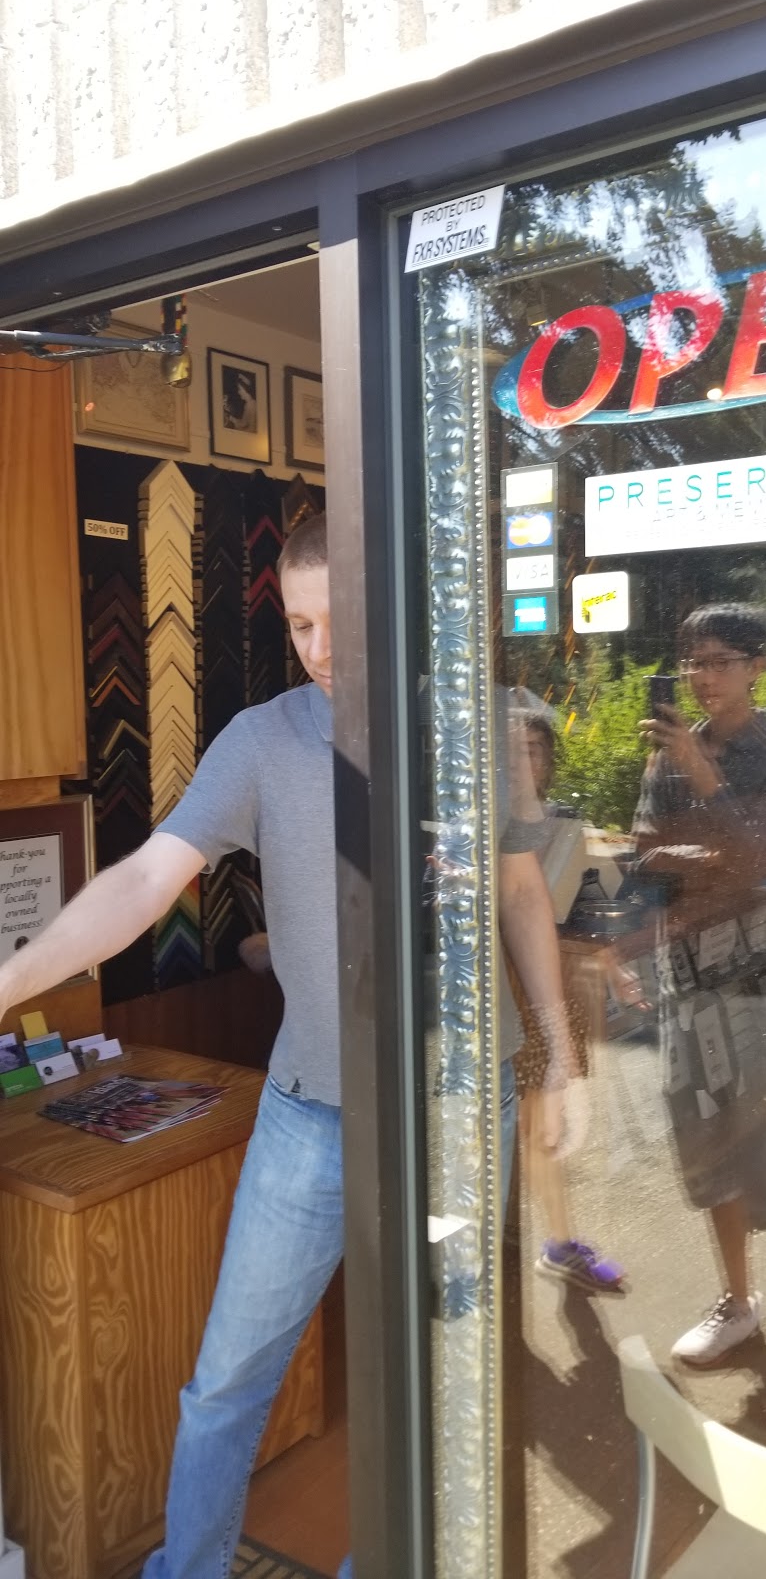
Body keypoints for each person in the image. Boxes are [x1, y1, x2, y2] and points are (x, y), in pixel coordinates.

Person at [0, 514, 581, 1579]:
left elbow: (521, 893)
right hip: (309, 1113)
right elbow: (145, 879)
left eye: (339, 619)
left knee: (436, 1374)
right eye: (301, 625)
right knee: (226, 1379)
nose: (320, 648)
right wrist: (7, 984)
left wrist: (562, 1055)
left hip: (456, 1112)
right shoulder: (262, 740)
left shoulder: (474, 727)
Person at [633, 602, 766, 1367]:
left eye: (720, 661)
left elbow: (758, 861)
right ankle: (737, 1300)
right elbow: (643, 853)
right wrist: (713, 857)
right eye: (694, 662)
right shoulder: (668, 754)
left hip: (765, 986)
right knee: (710, 1141)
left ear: (759, 666)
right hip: (690, 980)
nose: (702, 676)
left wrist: (701, 777)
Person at [508, 708, 624, 1293]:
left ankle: (556, 1239)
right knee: (509, 1123)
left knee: (544, 1126)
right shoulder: (480, 827)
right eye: (513, 748)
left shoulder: (569, 828)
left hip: (548, 985)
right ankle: (531, 1236)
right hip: (498, 988)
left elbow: (601, 905)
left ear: (550, 761)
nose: (524, 759)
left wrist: (612, 963)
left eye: (535, 748)